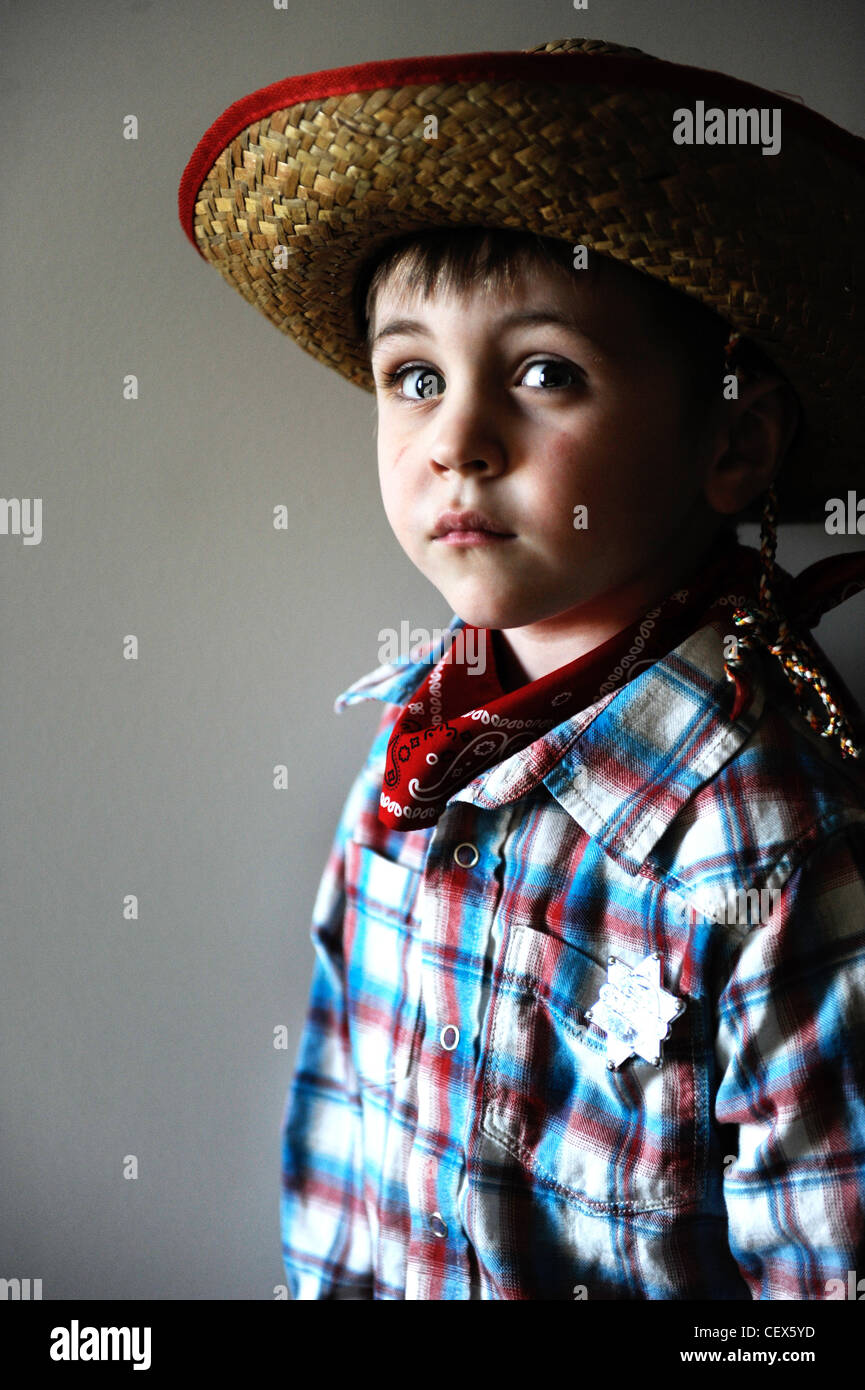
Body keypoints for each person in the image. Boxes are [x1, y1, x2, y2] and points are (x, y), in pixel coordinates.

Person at [179, 37, 865, 1299]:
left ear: (733, 442)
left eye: (545, 373)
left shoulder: (772, 851)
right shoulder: (409, 770)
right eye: (414, 377)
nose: (455, 440)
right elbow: (342, 1161)